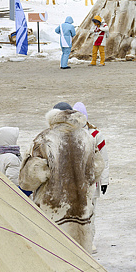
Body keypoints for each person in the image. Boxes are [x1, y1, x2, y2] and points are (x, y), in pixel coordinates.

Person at [18, 104, 104, 251]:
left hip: (53, 212)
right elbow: (97, 168)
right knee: (81, 259)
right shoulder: (88, 139)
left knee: (55, 257)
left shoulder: (44, 139)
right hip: (82, 211)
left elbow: (30, 178)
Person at [73, 102, 110, 197]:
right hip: (73, 183)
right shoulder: (68, 134)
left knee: (91, 210)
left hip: (92, 181)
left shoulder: (96, 135)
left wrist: (104, 181)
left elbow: (103, 159)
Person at [0, 127, 32, 196]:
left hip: (1, 194)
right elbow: (14, 183)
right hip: (13, 197)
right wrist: (29, 190)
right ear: (10, 139)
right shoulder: (11, 158)